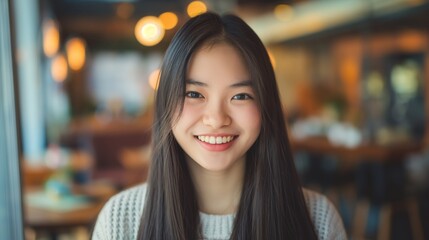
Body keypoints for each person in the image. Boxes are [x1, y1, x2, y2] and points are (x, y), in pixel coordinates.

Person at [92, 12, 347, 240]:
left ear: (266, 104)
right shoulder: (121, 221)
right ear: (166, 101)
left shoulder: (318, 220)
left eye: (240, 96)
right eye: (194, 94)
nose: (216, 119)